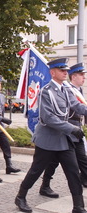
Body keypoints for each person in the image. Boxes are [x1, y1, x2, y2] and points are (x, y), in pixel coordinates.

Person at [15, 58, 87, 213]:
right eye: (62, 70)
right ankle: (20, 196)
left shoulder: (66, 90)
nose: (65, 73)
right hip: (48, 139)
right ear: (52, 72)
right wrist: (72, 128)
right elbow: (48, 118)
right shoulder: (46, 91)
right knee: (36, 170)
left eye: (66, 70)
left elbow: (77, 106)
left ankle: (78, 209)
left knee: (73, 173)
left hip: (63, 140)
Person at [39, 62, 87, 199]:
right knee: (51, 162)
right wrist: (71, 128)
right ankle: (43, 186)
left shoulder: (75, 90)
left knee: (79, 160)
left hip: (74, 129)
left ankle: (78, 202)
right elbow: (52, 116)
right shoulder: (63, 89)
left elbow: (79, 106)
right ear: (74, 76)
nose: (84, 78)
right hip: (65, 129)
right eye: (81, 75)